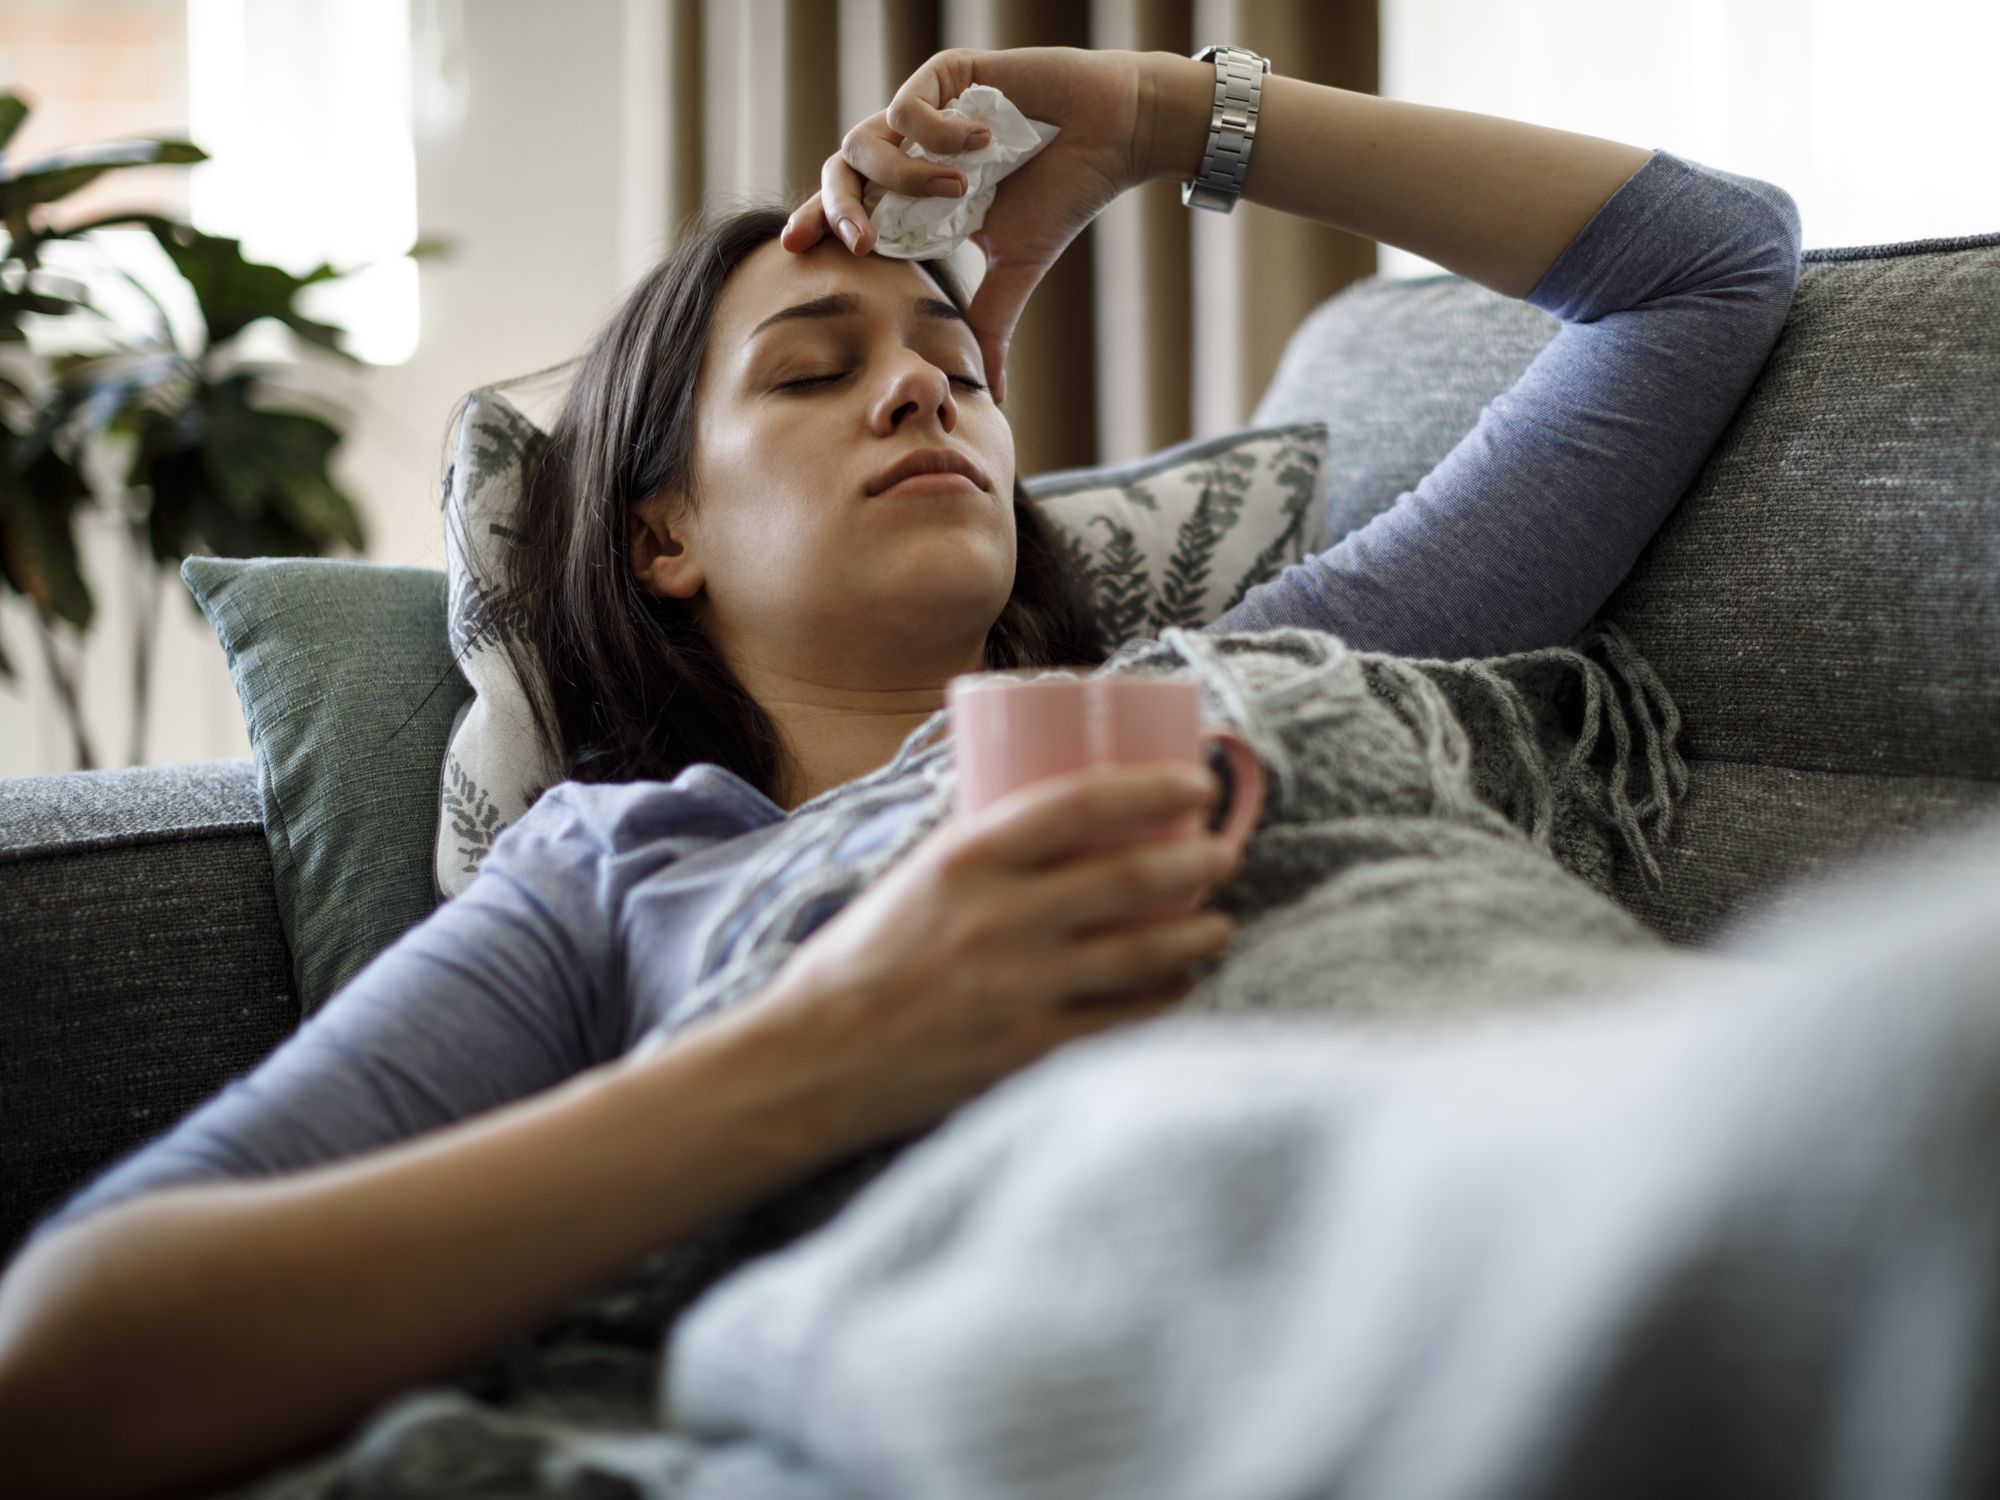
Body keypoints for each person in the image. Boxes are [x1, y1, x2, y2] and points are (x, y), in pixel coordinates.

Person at [0, 45, 1804, 1499]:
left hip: (1594, 1205)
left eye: (958, 363)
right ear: (662, 541)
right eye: (812, 372)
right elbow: (61, 1367)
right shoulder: (621, 869)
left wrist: (1155, 113)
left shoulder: (1260, 669)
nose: (924, 393)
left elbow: (1706, 272)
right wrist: (828, 1041)